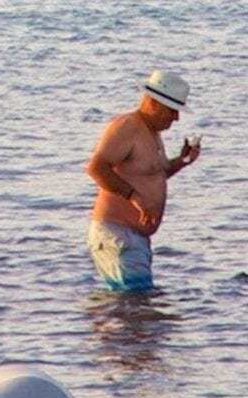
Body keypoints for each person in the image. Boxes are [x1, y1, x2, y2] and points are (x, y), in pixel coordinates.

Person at [85, 69, 201, 294]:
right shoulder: (127, 127)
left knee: (136, 314)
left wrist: (183, 160)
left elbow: (154, 175)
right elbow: (96, 168)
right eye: (173, 111)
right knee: (138, 308)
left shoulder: (152, 133)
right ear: (154, 103)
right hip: (118, 235)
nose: (176, 119)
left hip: (134, 238)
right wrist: (134, 197)